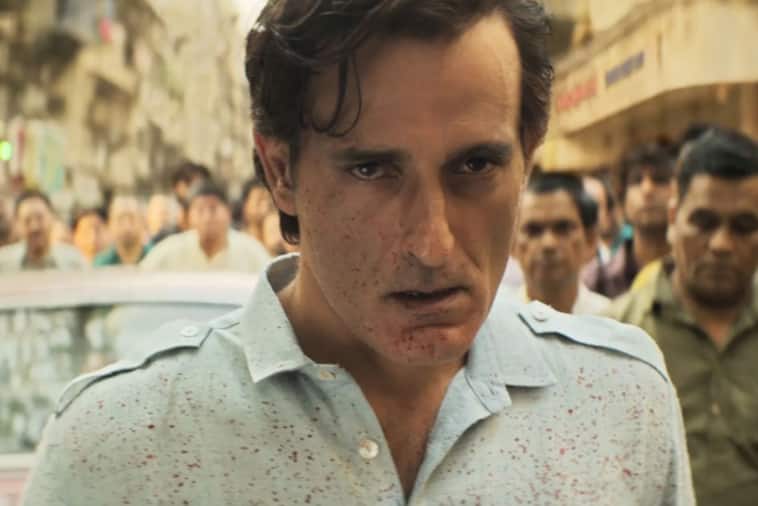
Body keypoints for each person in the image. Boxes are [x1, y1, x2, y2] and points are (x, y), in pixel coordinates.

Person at [24, 2, 693, 505]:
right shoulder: (118, 448)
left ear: (528, 155)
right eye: (372, 170)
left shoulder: (620, 404)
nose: (432, 243)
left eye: (475, 166)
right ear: (280, 170)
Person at [607, 127, 758, 506]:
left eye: (744, 227)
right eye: (704, 222)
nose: (721, 244)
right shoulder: (615, 336)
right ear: (674, 218)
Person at [584, 142, 675, 298]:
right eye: (637, 180)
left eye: (660, 180)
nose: (647, 189)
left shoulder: (693, 275)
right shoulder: (598, 281)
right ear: (622, 199)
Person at [513, 172, 610, 315]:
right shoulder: (494, 320)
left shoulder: (611, 318)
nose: (548, 244)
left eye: (563, 228)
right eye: (533, 230)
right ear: (512, 244)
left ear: (590, 239)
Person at [140, 181, 270, 272]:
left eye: (213, 209)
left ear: (228, 212)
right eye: (200, 210)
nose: (207, 218)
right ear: (189, 217)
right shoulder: (169, 251)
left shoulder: (251, 252)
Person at [0, 189, 86, 271]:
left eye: (40, 218)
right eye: (27, 220)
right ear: (17, 224)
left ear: (52, 217)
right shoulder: (3, 264)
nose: (34, 227)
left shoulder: (74, 262)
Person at [93, 195, 151, 266]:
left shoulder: (157, 259)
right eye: (120, 219)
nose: (127, 227)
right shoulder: (101, 264)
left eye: (131, 219)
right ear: (110, 224)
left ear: (143, 222)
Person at [582, 172, 622, 264]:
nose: (585, 213)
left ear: (606, 214)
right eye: (581, 205)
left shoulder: (615, 264)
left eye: (593, 206)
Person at [239, 177, 275, 241]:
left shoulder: (279, 239)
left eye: (269, 200)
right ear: (245, 206)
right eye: (259, 201)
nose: (265, 206)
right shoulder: (239, 241)